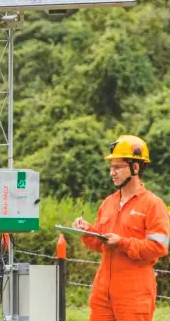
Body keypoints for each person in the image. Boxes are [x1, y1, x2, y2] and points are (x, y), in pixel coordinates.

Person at [73, 135, 169, 321]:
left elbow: (159, 248)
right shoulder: (108, 203)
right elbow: (100, 243)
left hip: (134, 295)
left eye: (118, 167)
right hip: (103, 293)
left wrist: (122, 243)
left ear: (135, 167)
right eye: (111, 167)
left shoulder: (153, 204)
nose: (112, 172)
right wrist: (86, 231)